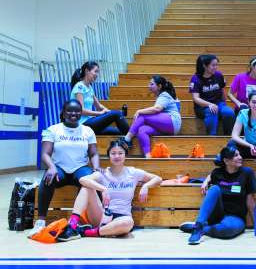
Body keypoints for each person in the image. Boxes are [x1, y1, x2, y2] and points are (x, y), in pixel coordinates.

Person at [57, 140, 162, 241]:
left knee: (128, 222)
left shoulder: (133, 172)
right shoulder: (103, 173)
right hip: (102, 216)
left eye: (120, 153)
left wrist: (146, 186)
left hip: (122, 219)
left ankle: (87, 232)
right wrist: (103, 189)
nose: (117, 156)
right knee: (86, 188)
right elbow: (83, 179)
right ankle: (72, 227)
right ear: (109, 156)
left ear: (125, 155)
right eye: (113, 153)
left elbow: (158, 178)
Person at [29, 99, 100, 236]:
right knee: (47, 179)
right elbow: (45, 153)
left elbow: (93, 153)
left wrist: (96, 168)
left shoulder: (87, 131)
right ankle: (41, 221)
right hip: (59, 168)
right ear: (63, 113)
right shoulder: (53, 129)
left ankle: (83, 220)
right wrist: (51, 166)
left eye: (77, 111)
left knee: (90, 179)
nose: (73, 113)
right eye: (70, 111)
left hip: (79, 168)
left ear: (81, 113)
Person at [179, 146, 256, 245]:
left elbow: (250, 201)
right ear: (226, 160)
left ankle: (201, 228)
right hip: (217, 215)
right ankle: (198, 227)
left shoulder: (247, 173)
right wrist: (206, 181)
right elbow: (211, 176)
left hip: (235, 217)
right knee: (214, 189)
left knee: (227, 230)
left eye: (240, 154)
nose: (240, 157)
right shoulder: (217, 173)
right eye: (236, 155)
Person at [120, 75, 181, 158]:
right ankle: (148, 156)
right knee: (142, 130)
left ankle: (127, 139)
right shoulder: (164, 95)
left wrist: (139, 111)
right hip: (167, 126)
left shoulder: (165, 94)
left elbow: (157, 109)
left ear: (159, 86)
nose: (149, 86)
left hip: (172, 122)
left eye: (152, 84)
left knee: (143, 115)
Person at [70, 61, 129, 135]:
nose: (97, 75)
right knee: (117, 114)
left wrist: (109, 112)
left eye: (98, 72)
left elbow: (99, 106)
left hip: (90, 123)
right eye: (95, 71)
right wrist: (100, 113)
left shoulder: (89, 87)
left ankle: (129, 137)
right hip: (83, 124)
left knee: (118, 131)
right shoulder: (79, 87)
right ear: (87, 71)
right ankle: (129, 138)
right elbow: (81, 110)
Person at [189, 54, 235, 135]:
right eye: (213, 65)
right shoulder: (195, 79)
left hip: (218, 104)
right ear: (204, 66)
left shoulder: (218, 75)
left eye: (217, 65)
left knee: (229, 112)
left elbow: (222, 90)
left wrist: (223, 105)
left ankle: (228, 137)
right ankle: (211, 137)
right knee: (212, 111)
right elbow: (196, 98)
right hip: (202, 107)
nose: (216, 67)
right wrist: (210, 104)